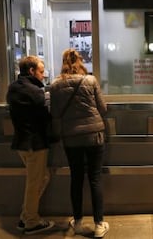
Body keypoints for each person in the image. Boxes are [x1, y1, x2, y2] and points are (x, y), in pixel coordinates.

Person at [50, 48, 109, 237]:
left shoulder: (55, 85)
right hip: (94, 135)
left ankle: (78, 222)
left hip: (71, 137)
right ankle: (99, 224)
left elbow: (55, 114)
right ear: (80, 61)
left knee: (76, 178)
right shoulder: (90, 80)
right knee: (95, 178)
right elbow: (102, 108)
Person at [6, 56, 55, 235]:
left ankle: (25, 216)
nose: (43, 75)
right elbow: (46, 117)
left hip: (20, 143)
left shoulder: (12, 88)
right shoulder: (35, 91)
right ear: (32, 71)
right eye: (41, 72)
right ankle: (32, 222)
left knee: (41, 178)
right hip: (35, 144)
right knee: (35, 182)